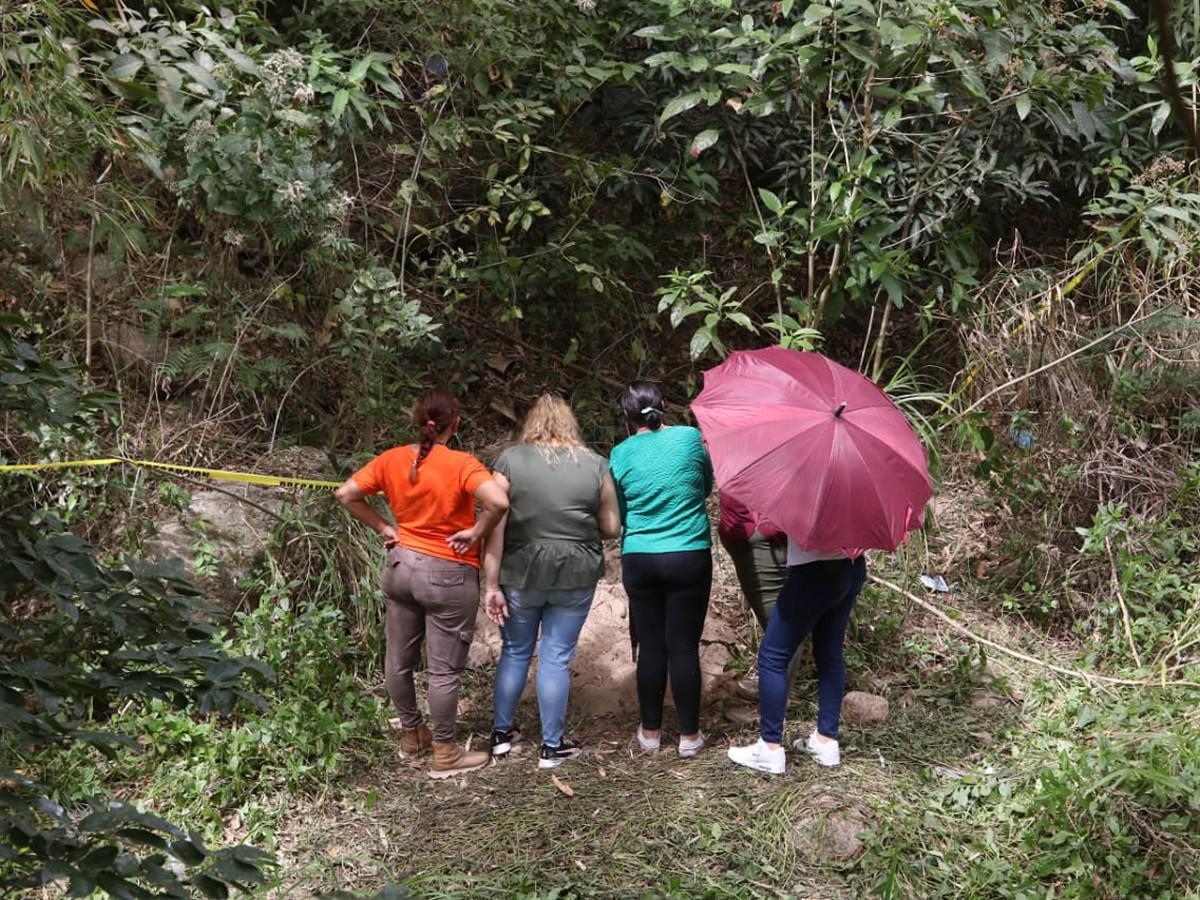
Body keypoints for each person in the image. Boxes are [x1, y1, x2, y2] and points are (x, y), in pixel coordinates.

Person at [335, 387, 509, 779]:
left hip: (400, 566)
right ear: (456, 424)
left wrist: (383, 526)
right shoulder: (462, 464)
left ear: (417, 422)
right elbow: (499, 502)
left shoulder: (392, 458)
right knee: (443, 670)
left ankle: (413, 733)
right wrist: (478, 531)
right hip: (447, 571)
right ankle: (445, 753)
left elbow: (345, 493)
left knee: (398, 659)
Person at [482, 394, 622, 769]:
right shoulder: (595, 464)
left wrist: (491, 584)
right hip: (574, 569)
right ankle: (552, 745)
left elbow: (495, 523)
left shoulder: (510, 461)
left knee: (515, 651)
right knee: (556, 657)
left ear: (531, 423)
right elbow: (611, 527)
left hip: (521, 568)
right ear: (570, 424)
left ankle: (501, 735)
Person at [609, 381, 713, 758]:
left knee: (651, 644)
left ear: (626, 418)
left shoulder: (619, 454)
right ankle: (688, 737)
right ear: (665, 406)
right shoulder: (689, 438)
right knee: (683, 645)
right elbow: (704, 486)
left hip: (640, 556)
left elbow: (619, 510)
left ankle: (650, 733)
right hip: (688, 552)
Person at [726, 543, 867, 774]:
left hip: (814, 569)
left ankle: (769, 748)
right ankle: (826, 741)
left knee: (773, 656)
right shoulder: (858, 504)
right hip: (852, 565)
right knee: (830, 654)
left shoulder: (815, 504)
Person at [717, 493, 800, 698]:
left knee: (783, 627)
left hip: (763, 537)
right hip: (764, 535)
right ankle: (775, 691)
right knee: (784, 624)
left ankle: (775, 703)